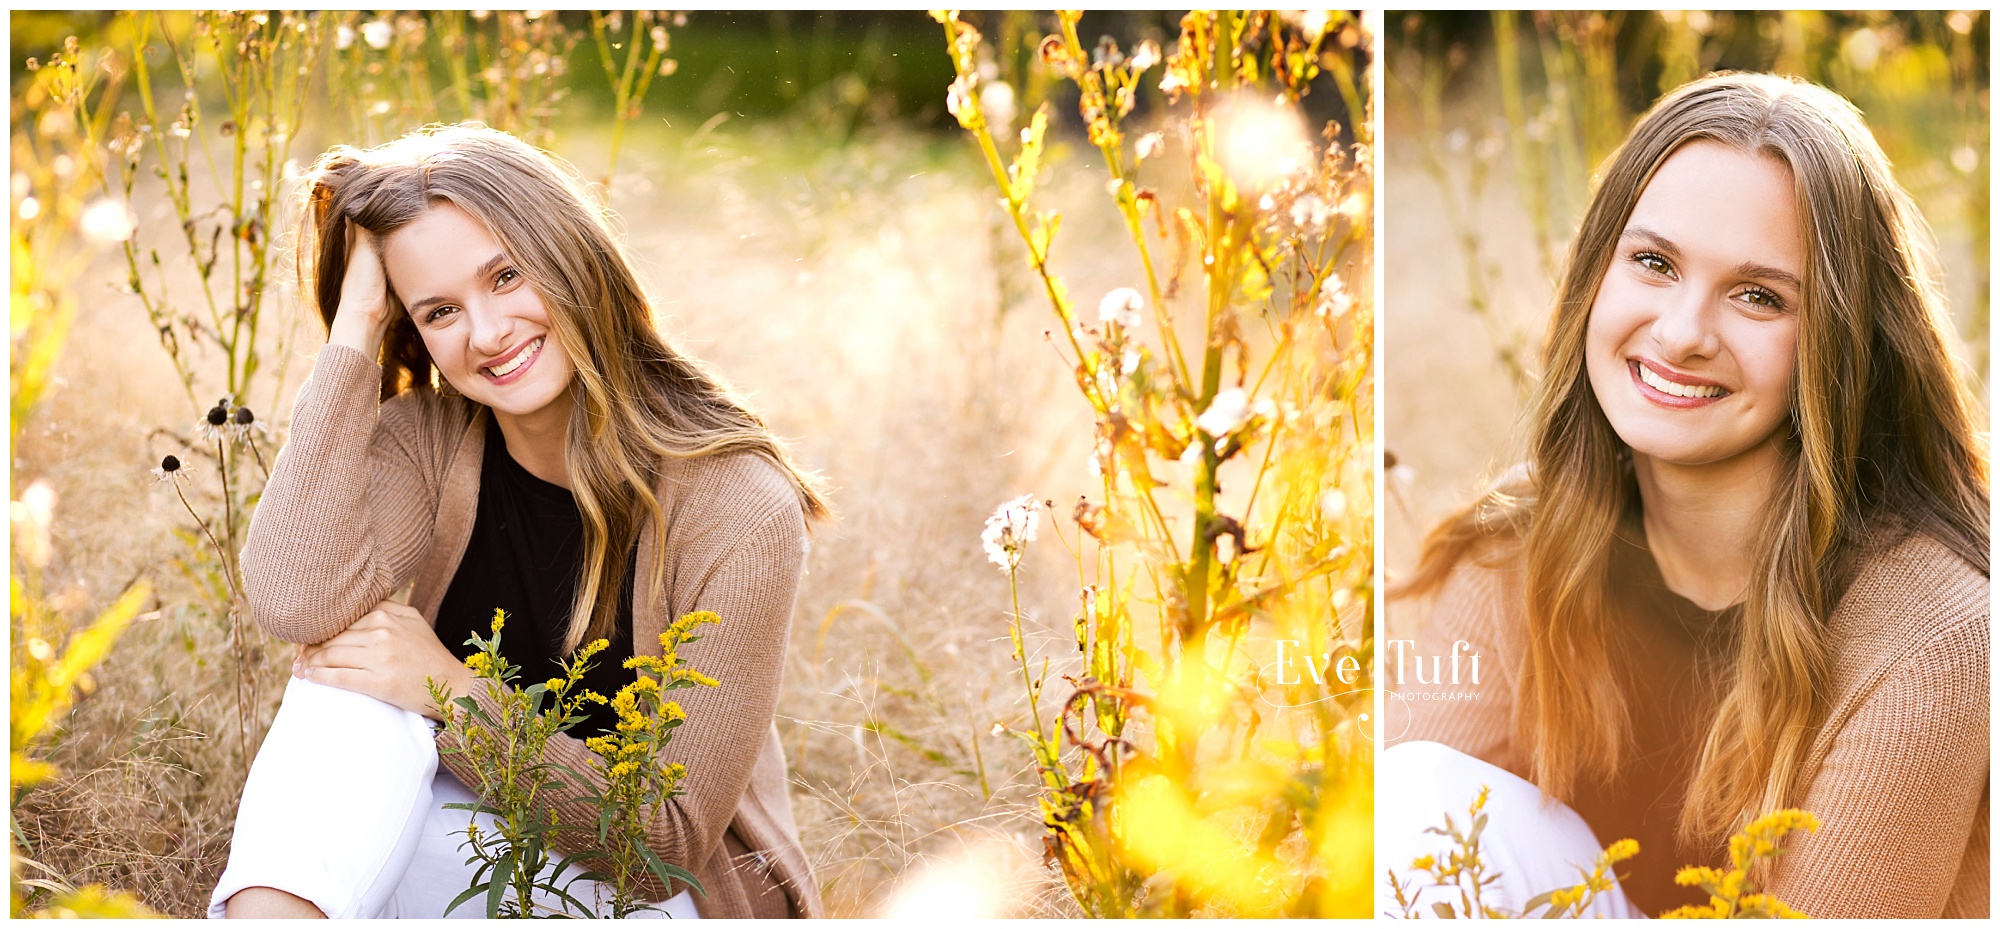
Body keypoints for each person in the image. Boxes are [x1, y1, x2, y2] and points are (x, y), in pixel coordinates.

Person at [1386, 72, 1988, 919]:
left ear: (1843, 340)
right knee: (1415, 792)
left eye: (1758, 296)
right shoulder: (1521, 544)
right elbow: (1392, 851)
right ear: (1596, 273)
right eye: (1654, 263)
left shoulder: (1935, 639)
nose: (1681, 333)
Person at [208, 124, 829, 918]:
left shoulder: (737, 503)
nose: (488, 333)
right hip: (482, 846)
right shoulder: (434, 438)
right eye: (439, 311)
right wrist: (355, 324)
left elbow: (665, 841)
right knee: (347, 687)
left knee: (386, 675)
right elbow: (296, 600)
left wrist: (451, 689)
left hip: (657, 896)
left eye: (505, 276)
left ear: (572, 257)